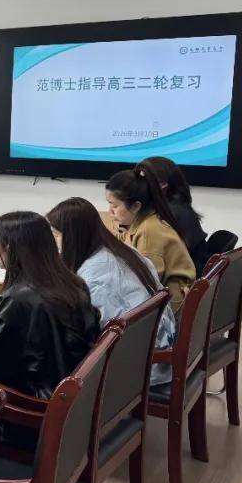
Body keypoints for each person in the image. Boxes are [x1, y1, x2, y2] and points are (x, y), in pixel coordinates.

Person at [47, 197, 177, 387]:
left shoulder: (94, 278)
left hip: (137, 370)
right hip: (157, 351)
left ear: (73, 238)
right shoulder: (123, 251)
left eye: (56, 236)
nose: (53, 244)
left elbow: (90, 335)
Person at [0, 211, 100, 400]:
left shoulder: (18, 299)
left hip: (35, 400)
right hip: (75, 391)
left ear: (7, 248)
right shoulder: (73, 282)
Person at [105, 167, 195, 315]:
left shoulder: (148, 232)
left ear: (136, 206)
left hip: (170, 308)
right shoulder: (143, 222)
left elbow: (146, 286)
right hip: (164, 299)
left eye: (114, 205)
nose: (110, 211)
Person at [139, 156, 209, 274]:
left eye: (142, 181)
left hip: (185, 277)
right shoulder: (177, 203)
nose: (137, 186)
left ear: (162, 184)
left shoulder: (169, 214)